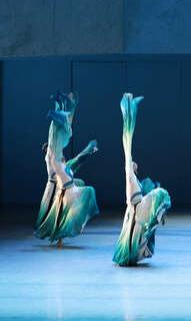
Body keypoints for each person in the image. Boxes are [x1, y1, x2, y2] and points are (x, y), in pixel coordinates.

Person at [113, 94, 171, 266]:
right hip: (136, 210)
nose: (134, 164)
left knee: (157, 193)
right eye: (132, 164)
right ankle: (129, 107)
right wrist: (128, 115)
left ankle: (136, 251)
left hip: (137, 211)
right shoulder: (129, 173)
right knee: (160, 193)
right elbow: (127, 146)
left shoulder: (135, 179)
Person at [34, 92, 99, 246]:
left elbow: (76, 160)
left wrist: (89, 151)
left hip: (62, 186)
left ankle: (67, 227)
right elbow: (53, 142)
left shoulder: (62, 162)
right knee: (51, 213)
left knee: (79, 182)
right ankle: (54, 232)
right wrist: (58, 112)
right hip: (54, 188)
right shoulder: (51, 159)